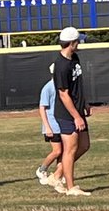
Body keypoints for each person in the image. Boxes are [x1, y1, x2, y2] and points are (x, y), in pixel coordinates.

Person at [52, 27, 93, 196]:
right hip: (66, 113)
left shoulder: (74, 58)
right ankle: (70, 187)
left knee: (84, 145)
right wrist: (76, 117)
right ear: (72, 43)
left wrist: (85, 103)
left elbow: (77, 86)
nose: (80, 43)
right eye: (78, 41)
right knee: (70, 149)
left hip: (77, 109)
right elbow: (63, 94)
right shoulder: (61, 65)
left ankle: (56, 175)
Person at [36, 63, 63, 185]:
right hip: (52, 125)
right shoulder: (48, 88)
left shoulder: (61, 87)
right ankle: (42, 169)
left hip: (61, 123)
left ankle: (59, 174)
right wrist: (47, 127)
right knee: (57, 151)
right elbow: (42, 108)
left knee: (63, 152)